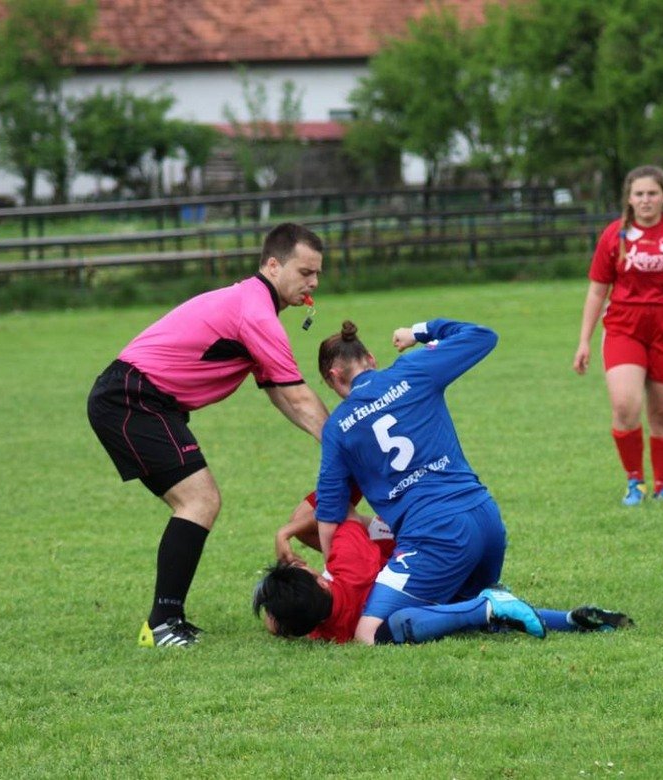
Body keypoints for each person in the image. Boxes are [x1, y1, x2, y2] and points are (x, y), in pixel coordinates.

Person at [86, 222, 330, 648]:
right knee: (199, 500)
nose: (313, 283)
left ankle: (167, 621)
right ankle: (162, 624)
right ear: (273, 265)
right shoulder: (255, 312)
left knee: (200, 501)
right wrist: (345, 443)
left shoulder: (252, 306)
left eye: (317, 274)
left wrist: (332, 442)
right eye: (305, 272)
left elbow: (282, 394)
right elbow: (300, 398)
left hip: (141, 400)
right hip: (132, 399)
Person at [313, 317, 544, 645]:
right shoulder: (412, 370)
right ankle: (568, 620)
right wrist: (416, 332)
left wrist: (332, 572)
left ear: (334, 378)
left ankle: (486, 605)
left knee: (369, 633)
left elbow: (329, 516)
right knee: (449, 615)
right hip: (487, 520)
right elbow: (482, 336)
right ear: (371, 360)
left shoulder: (338, 427)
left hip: (435, 537)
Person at [255, 507, 633, 644]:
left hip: (425, 583)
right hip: (430, 572)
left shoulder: (319, 628)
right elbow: (336, 508)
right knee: (474, 619)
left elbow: (279, 623)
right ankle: (571, 621)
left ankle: (489, 609)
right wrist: (285, 533)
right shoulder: (347, 564)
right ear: (319, 580)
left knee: (398, 628)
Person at [573, 165, 663, 505]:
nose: (646, 200)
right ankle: (634, 482)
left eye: (652, 193)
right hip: (624, 324)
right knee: (625, 406)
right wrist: (584, 340)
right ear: (629, 198)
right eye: (639, 194)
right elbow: (597, 291)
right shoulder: (613, 235)